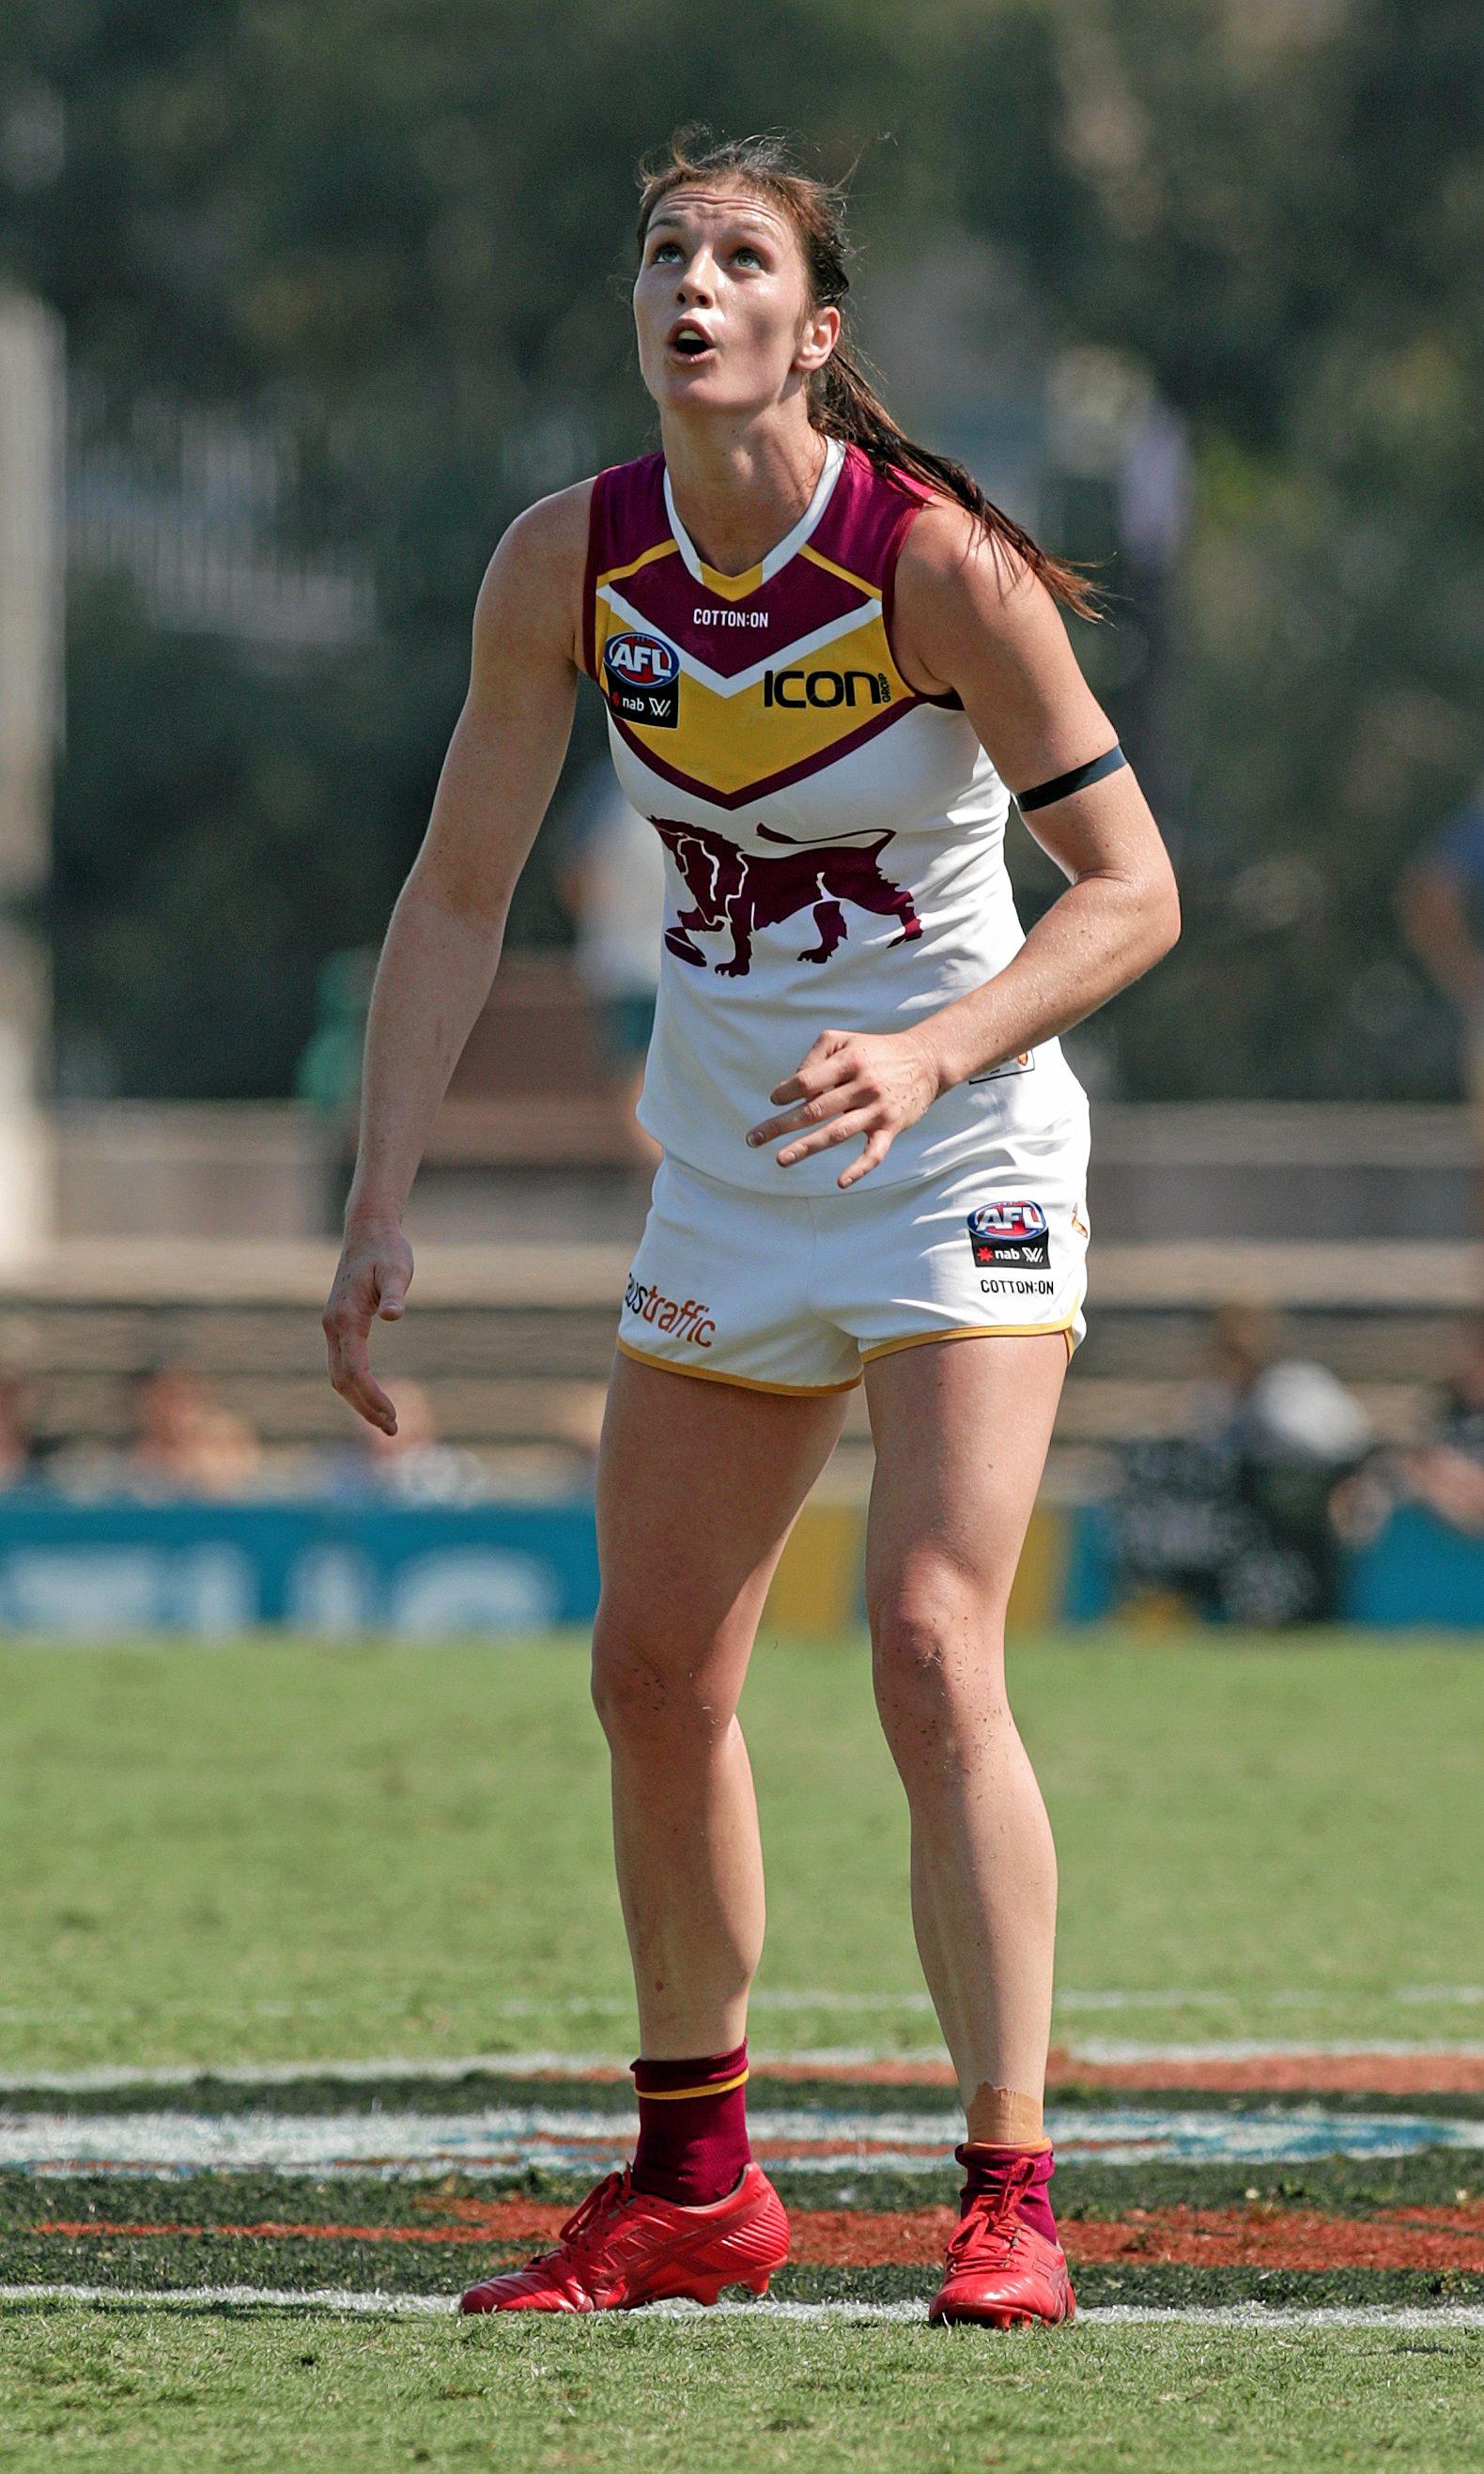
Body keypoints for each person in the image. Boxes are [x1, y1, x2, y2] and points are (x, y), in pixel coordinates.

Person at [322, 129, 1180, 2329]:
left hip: (955, 1158)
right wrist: (379, 1197)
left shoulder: (935, 569)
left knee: (917, 1637)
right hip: (727, 1171)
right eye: (661, 254)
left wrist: (930, 1051)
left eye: (737, 258)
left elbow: (1134, 899)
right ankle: (694, 2181)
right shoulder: (566, 564)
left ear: (812, 329)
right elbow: (451, 892)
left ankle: (1007, 2190)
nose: (687, 285)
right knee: (648, 1668)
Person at [557, 764, 666, 1168]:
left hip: (626, 966)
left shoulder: (606, 789)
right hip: (693, 965)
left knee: (634, 1090)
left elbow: (574, 880)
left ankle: (668, 1184)